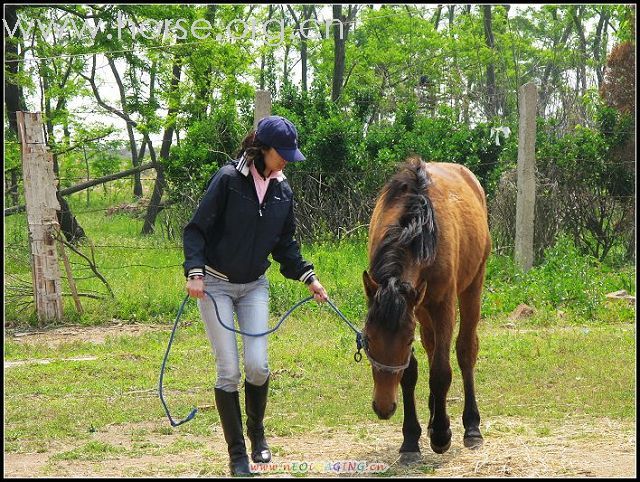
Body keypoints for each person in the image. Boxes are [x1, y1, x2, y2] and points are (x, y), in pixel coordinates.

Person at [183, 115, 328, 476]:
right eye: (282, 153)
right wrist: (195, 271)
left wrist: (308, 276)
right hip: (214, 284)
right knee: (229, 370)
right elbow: (196, 229)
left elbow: (285, 245)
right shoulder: (228, 180)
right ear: (262, 149)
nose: (287, 160)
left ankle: (257, 435)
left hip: (254, 287)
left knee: (258, 366)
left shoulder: (283, 190)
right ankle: (237, 457)